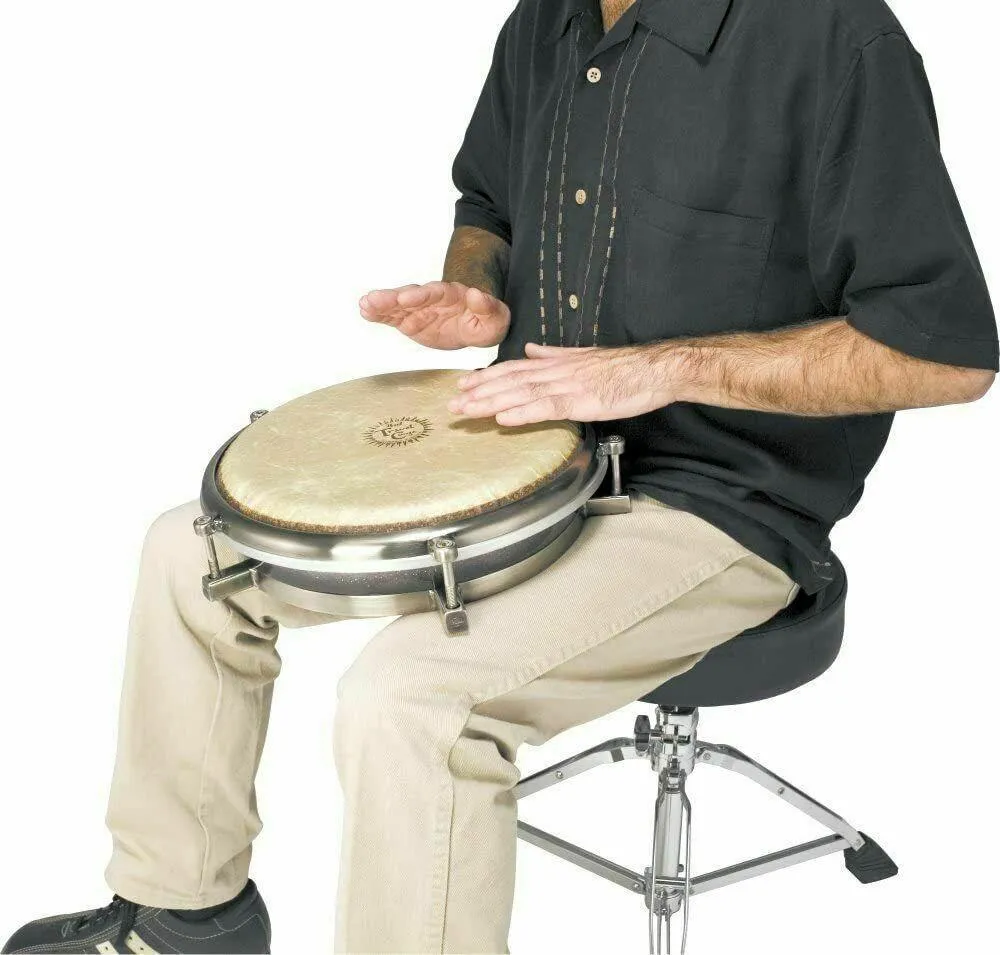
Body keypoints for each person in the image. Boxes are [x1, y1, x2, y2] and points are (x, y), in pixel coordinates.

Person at [4, 0, 997, 953]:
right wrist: (476, 288)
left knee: (409, 697)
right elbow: (487, 208)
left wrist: (659, 368)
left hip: (722, 499)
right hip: (530, 455)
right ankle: (184, 917)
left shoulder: (834, 35)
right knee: (189, 552)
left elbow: (944, 354)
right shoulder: (545, 20)